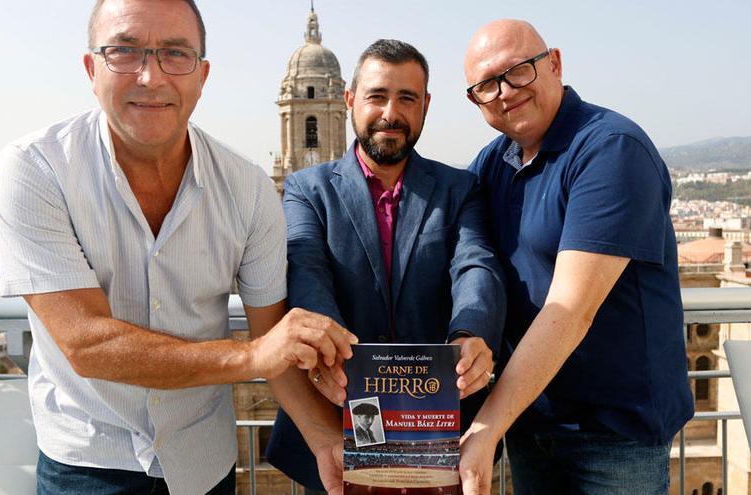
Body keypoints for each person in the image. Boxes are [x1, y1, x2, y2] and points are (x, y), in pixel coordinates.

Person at [0, 1, 355, 493]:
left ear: (202, 76)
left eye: (174, 54)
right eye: (125, 51)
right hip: (86, 465)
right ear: (90, 68)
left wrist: (325, 441)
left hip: (205, 466)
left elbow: (276, 343)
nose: (150, 76)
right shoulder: (35, 170)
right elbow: (87, 344)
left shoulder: (247, 189)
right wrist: (252, 356)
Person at [458, 19, 694, 495]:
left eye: (518, 71)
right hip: (532, 422)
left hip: (614, 436)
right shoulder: (494, 162)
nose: (504, 92)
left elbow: (571, 311)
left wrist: (485, 429)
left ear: (555, 64)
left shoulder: (611, 149)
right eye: (486, 85)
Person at [264, 39, 506, 494]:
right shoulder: (306, 190)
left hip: (439, 441)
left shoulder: (461, 189)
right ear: (350, 100)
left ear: (425, 107)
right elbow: (306, 266)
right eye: (377, 96)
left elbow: (476, 264)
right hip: (336, 436)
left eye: (407, 98)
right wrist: (327, 340)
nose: (390, 113)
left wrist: (472, 331)